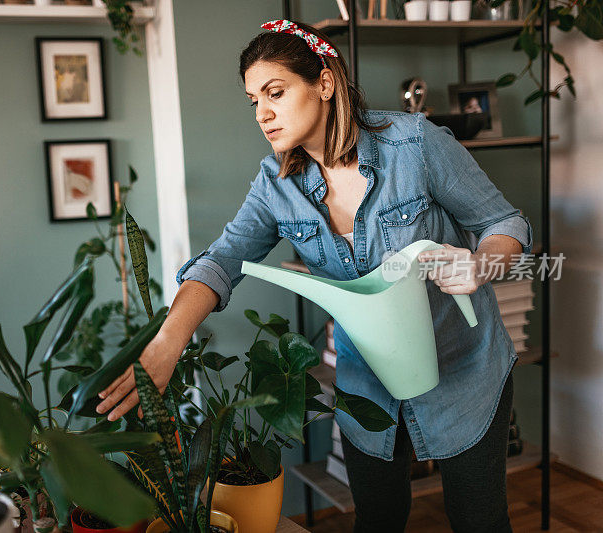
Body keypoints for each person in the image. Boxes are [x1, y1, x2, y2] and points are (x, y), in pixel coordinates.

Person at [96, 19, 532, 533]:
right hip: (366, 382)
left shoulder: (414, 145)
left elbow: (505, 224)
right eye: (253, 100)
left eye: (275, 92)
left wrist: (480, 264)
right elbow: (222, 259)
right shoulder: (274, 185)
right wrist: (167, 343)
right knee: (377, 522)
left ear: (324, 83)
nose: (262, 113)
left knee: (480, 521)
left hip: (464, 371)